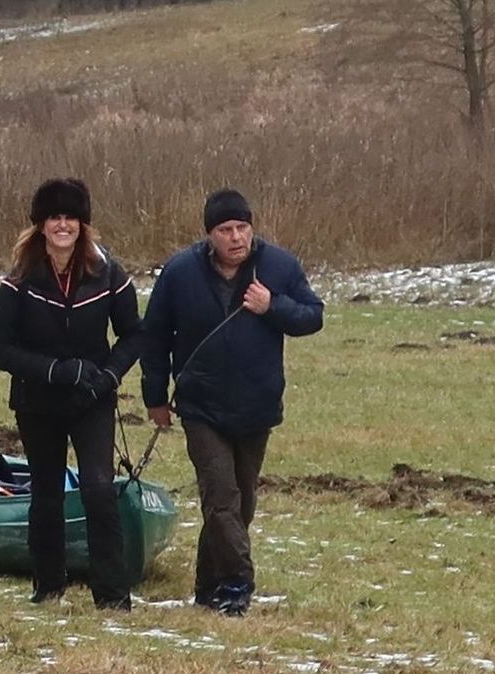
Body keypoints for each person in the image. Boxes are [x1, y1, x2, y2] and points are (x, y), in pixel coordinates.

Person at [140, 188, 323, 616]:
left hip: (256, 404)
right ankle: (239, 584)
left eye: (242, 227)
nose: (236, 237)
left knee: (240, 506)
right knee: (221, 497)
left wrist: (271, 305)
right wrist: (155, 395)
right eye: (225, 230)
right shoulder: (180, 272)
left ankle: (208, 587)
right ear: (210, 235)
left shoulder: (278, 266)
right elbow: (155, 335)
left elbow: (312, 316)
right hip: (201, 405)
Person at [0, 178, 143, 611]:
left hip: (92, 399)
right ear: (40, 225)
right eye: (54, 217)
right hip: (37, 401)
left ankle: (113, 595)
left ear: (83, 224)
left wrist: (108, 376)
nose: (62, 225)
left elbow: (134, 335)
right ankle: (49, 584)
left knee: (97, 488)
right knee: (47, 492)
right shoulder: (19, 278)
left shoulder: (108, 272)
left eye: (70, 217)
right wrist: (55, 371)